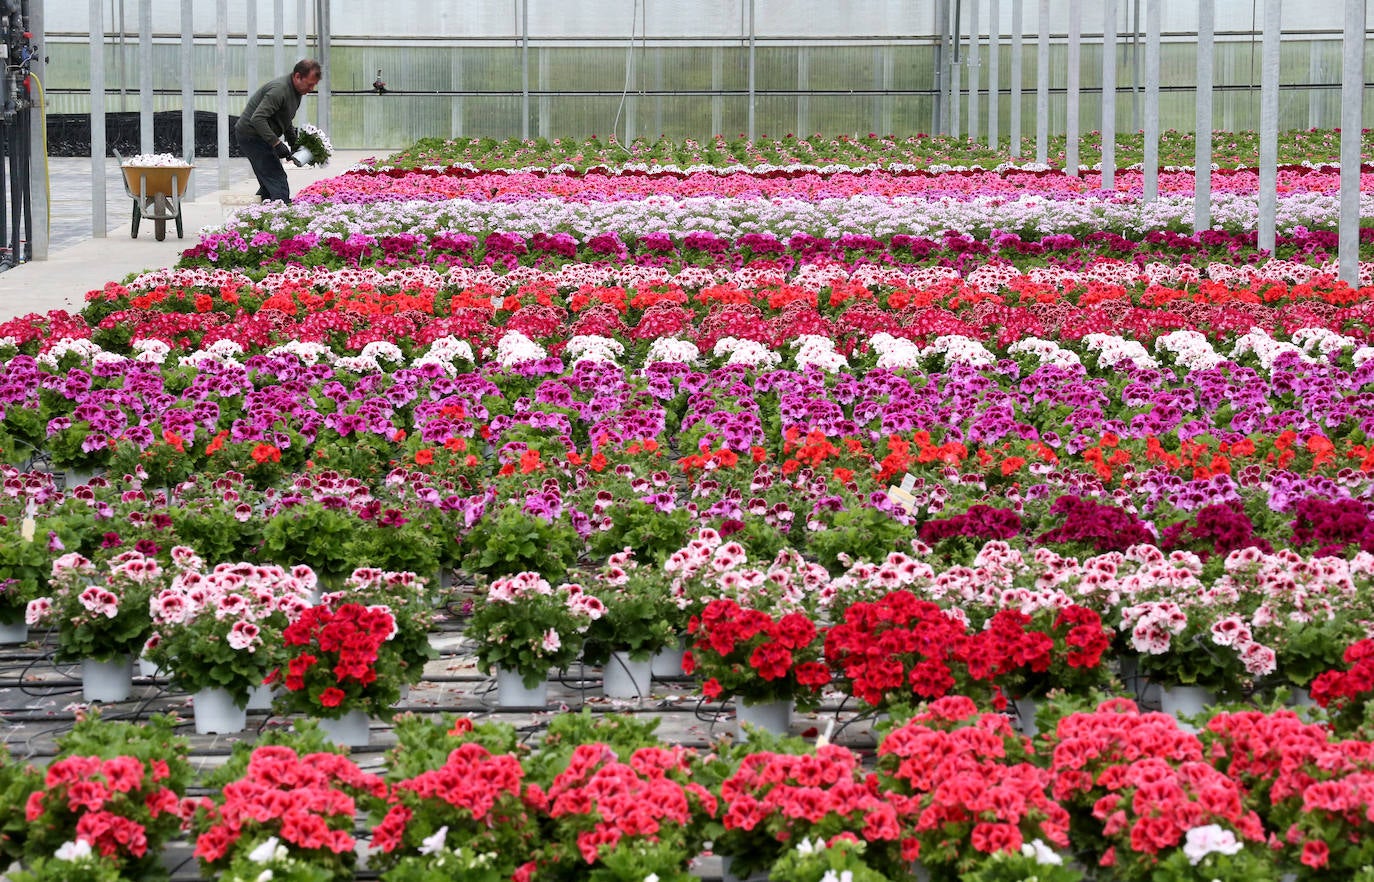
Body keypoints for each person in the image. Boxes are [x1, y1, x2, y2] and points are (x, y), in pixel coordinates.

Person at [234, 59, 322, 204]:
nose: (311, 88)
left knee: (269, 184)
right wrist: (276, 143)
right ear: (297, 76)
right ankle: (280, 217)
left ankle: (252, 218)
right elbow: (257, 119)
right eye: (310, 84)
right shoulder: (279, 90)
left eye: (314, 85)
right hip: (251, 135)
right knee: (277, 180)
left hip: (261, 135)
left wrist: (294, 144)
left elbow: (285, 119)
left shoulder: (297, 92)